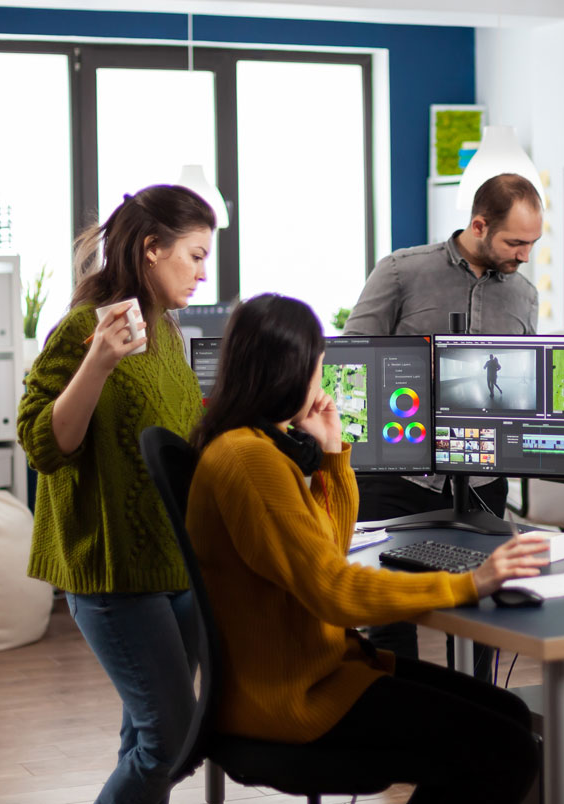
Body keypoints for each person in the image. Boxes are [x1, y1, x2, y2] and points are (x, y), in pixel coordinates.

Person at [185, 294, 544, 803]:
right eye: (318, 371)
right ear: (291, 374)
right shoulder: (251, 462)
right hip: (295, 700)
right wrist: (470, 583)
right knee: (507, 749)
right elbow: (335, 592)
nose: (321, 386)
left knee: (509, 716)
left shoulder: (247, 446)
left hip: (314, 674)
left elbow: (325, 555)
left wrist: (332, 455)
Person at [18, 185, 214, 804]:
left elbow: (178, 438)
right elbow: (44, 445)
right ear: (152, 248)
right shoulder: (85, 328)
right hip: (111, 570)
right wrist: (97, 363)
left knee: (149, 744)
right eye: (195, 255)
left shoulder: (167, 333)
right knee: (170, 742)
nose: (203, 273)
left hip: (173, 565)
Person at [343, 173, 542, 672]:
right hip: (398, 474)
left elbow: (521, 387)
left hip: (483, 478)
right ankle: (405, 711)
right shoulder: (401, 272)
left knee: (485, 609)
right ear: (479, 225)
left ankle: (479, 709)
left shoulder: (524, 294)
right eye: (515, 243)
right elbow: (350, 360)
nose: (524, 256)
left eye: (532, 244)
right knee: (391, 614)